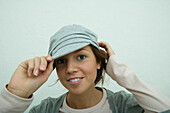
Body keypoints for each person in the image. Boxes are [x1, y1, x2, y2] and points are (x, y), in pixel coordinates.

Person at [0, 24, 170, 113]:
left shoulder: (125, 106)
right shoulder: (44, 110)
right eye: (61, 61)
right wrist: (16, 93)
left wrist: (119, 70)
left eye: (81, 57)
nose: (70, 69)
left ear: (99, 62)